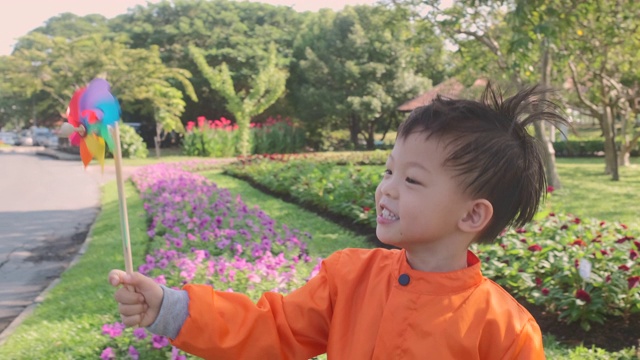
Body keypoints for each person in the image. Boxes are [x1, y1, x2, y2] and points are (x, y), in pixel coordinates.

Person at [109, 83, 567, 359]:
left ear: (472, 214)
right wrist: (170, 308)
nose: (387, 188)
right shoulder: (350, 278)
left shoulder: (505, 331)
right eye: (389, 170)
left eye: (412, 179)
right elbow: (272, 330)